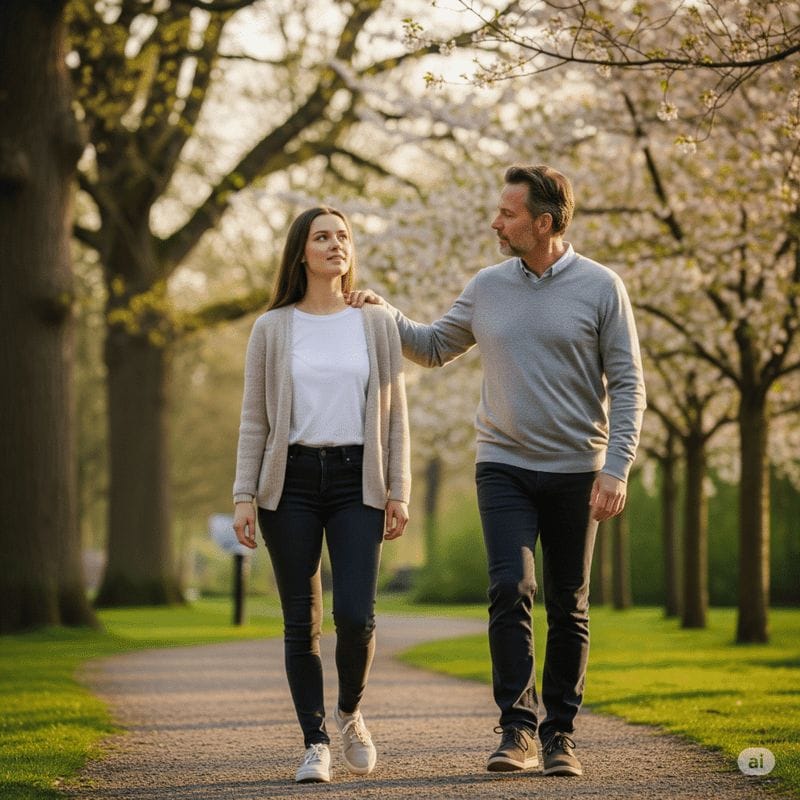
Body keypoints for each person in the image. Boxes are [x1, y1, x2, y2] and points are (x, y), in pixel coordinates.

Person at [347, 164, 646, 778]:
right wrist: (382, 312)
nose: (495, 222)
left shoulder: (600, 287)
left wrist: (616, 467)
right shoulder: (488, 285)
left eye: (507, 214)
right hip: (503, 464)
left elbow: (628, 382)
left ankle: (560, 734)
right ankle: (517, 728)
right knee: (510, 587)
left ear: (543, 222)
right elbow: (432, 346)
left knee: (569, 602)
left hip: (575, 469)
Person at [232, 206, 411, 784]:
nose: (336, 245)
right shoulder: (272, 327)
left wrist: (398, 489)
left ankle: (350, 712)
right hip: (292, 482)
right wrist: (243, 495)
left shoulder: (377, 322)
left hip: (360, 477)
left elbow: (396, 417)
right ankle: (314, 742)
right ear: (301, 252)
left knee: (356, 616)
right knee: (299, 620)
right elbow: (254, 420)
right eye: (322, 237)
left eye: (343, 237)